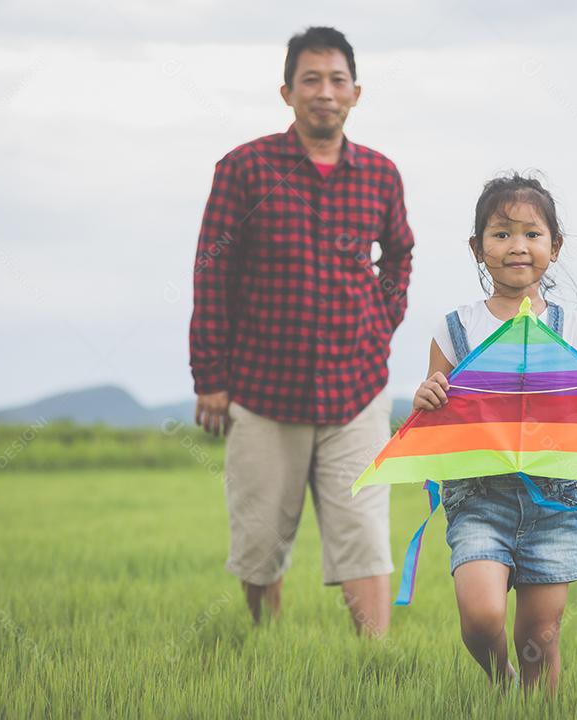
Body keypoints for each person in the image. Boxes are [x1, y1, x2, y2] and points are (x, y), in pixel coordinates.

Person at [189, 26, 414, 634]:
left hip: (357, 386)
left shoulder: (380, 175)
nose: (324, 91)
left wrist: (380, 321)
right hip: (263, 389)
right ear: (287, 92)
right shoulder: (244, 169)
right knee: (260, 537)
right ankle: (265, 642)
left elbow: (399, 255)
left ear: (356, 93)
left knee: (364, 530)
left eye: (336, 80)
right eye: (310, 79)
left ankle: (375, 659)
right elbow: (212, 272)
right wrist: (209, 377)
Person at [412, 174, 577, 694]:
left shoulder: (574, 327)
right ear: (478, 247)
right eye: (501, 233)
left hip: (553, 502)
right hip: (478, 497)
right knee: (482, 617)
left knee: (541, 634)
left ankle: (536, 703)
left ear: (554, 247)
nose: (517, 246)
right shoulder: (455, 327)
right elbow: (436, 414)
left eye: (532, 234)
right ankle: (501, 681)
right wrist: (425, 400)